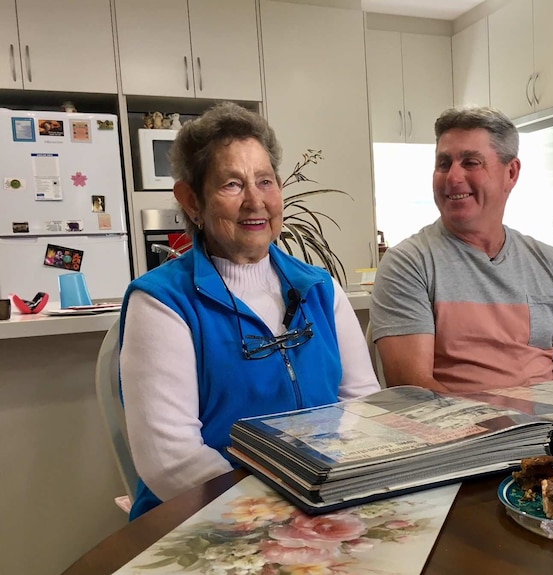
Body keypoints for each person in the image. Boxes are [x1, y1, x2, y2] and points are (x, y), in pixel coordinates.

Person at [120, 102, 379, 520]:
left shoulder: (320, 288)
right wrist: (279, 515)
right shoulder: (162, 303)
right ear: (191, 201)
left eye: (265, 181)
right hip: (207, 513)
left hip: (325, 506)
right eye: (232, 185)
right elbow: (170, 460)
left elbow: (363, 405)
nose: (255, 201)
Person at [370, 106, 553, 393]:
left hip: (551, 429)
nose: (452, 177)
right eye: (443, 163)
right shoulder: (408, 264)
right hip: (463, 434)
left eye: (470, 162)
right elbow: (414, 390)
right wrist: (508, 431)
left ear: (511, 172)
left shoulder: (549, 262)